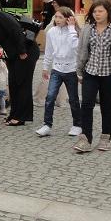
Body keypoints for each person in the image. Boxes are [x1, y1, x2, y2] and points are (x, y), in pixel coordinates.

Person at [75, 0, 111, 153]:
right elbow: (81, 52)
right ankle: (85, 139)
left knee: (106, 107)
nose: (97, 14)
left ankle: (105, 138)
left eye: (100, 11)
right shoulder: (87, 30)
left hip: (110, 75)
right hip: (90, 73)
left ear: (108, 12)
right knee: (86, 104)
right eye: (95, 11)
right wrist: (79, 71)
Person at [0, 1, 38, 126]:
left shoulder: (0, 16)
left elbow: (15, 30)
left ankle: (21, 117)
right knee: (13, 84)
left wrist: (22, 51)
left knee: (22, 84)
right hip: (14, 56)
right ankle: (14, 114)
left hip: (26, 53)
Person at [36, 7, 82, 138]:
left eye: (60, 17)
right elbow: (49, 51)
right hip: (56, 69)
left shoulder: (75, 32)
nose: (57, 20)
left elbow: (76, 49)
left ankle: (77, 125)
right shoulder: (51, 32)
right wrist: (45, 67)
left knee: (73, 99)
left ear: (68, 19)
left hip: (71, 69)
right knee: (50, 97)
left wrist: (72, 29)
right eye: (56, 17)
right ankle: (47, 125)